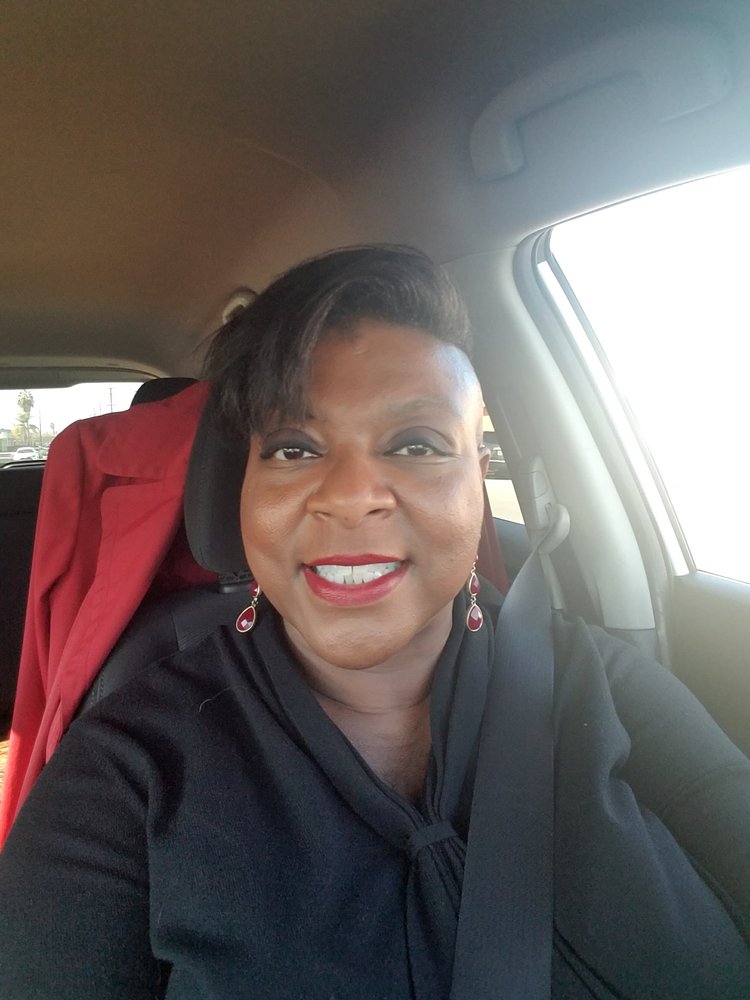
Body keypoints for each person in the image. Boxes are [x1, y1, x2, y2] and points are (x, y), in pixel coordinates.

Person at [0, 246, 748, 999]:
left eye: (417, 444)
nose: (351, 495)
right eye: (294, 447)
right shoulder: (127, 770)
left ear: (478, 477)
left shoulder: (599, 682)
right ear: (242, 489)